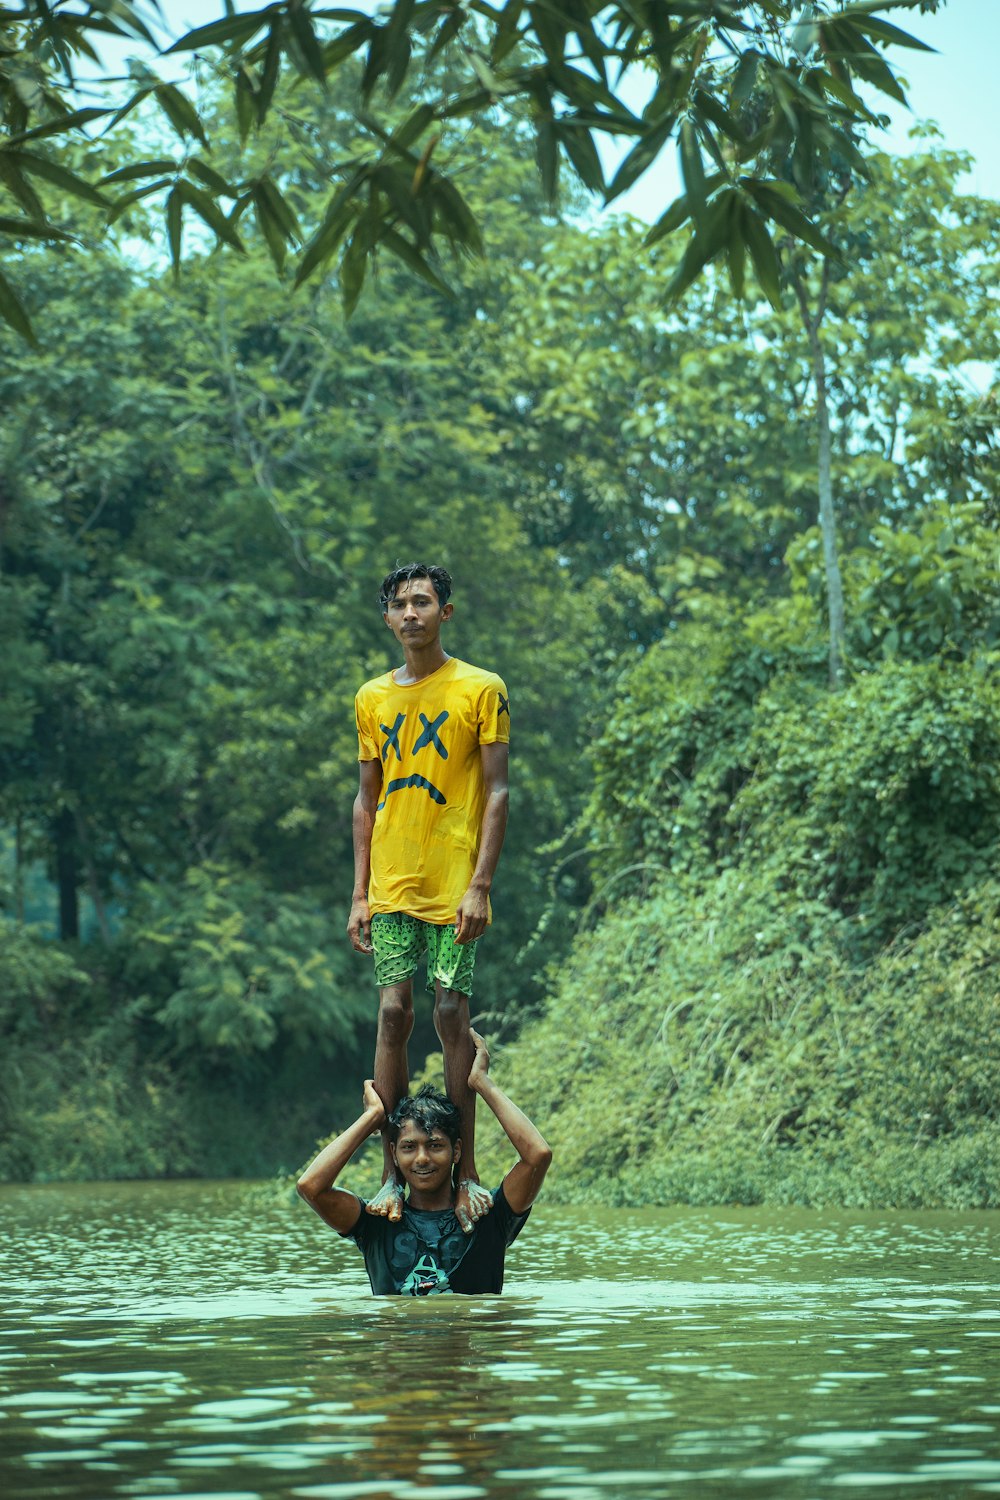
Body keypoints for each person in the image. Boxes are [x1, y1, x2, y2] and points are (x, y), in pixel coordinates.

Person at [347, 562, 510, 1233]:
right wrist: (358, 893)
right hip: (391, 885)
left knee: (449, 1011)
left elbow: (498, 791)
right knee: (392, 1014)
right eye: (399, 604)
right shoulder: (371, 698)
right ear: (387, 618)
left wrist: (480, 883)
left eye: (423, 602)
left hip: (453, 887)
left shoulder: (482, 689)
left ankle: (465, 1170)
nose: (410, 613)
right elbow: (366, 797)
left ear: (446, 612)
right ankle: (390, 1171)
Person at [296, 1029, 551, 1295]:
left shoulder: (487, 1216)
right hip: (398, 1338)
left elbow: (538, 1156)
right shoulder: (377, 1222)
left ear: (457, 1151)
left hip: (467, 1336)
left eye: (435, 1145)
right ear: (394, 1154)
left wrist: (482, 1083)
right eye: (409, 1147)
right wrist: (372, 1117)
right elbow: (310, 1187)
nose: (422, 1158)